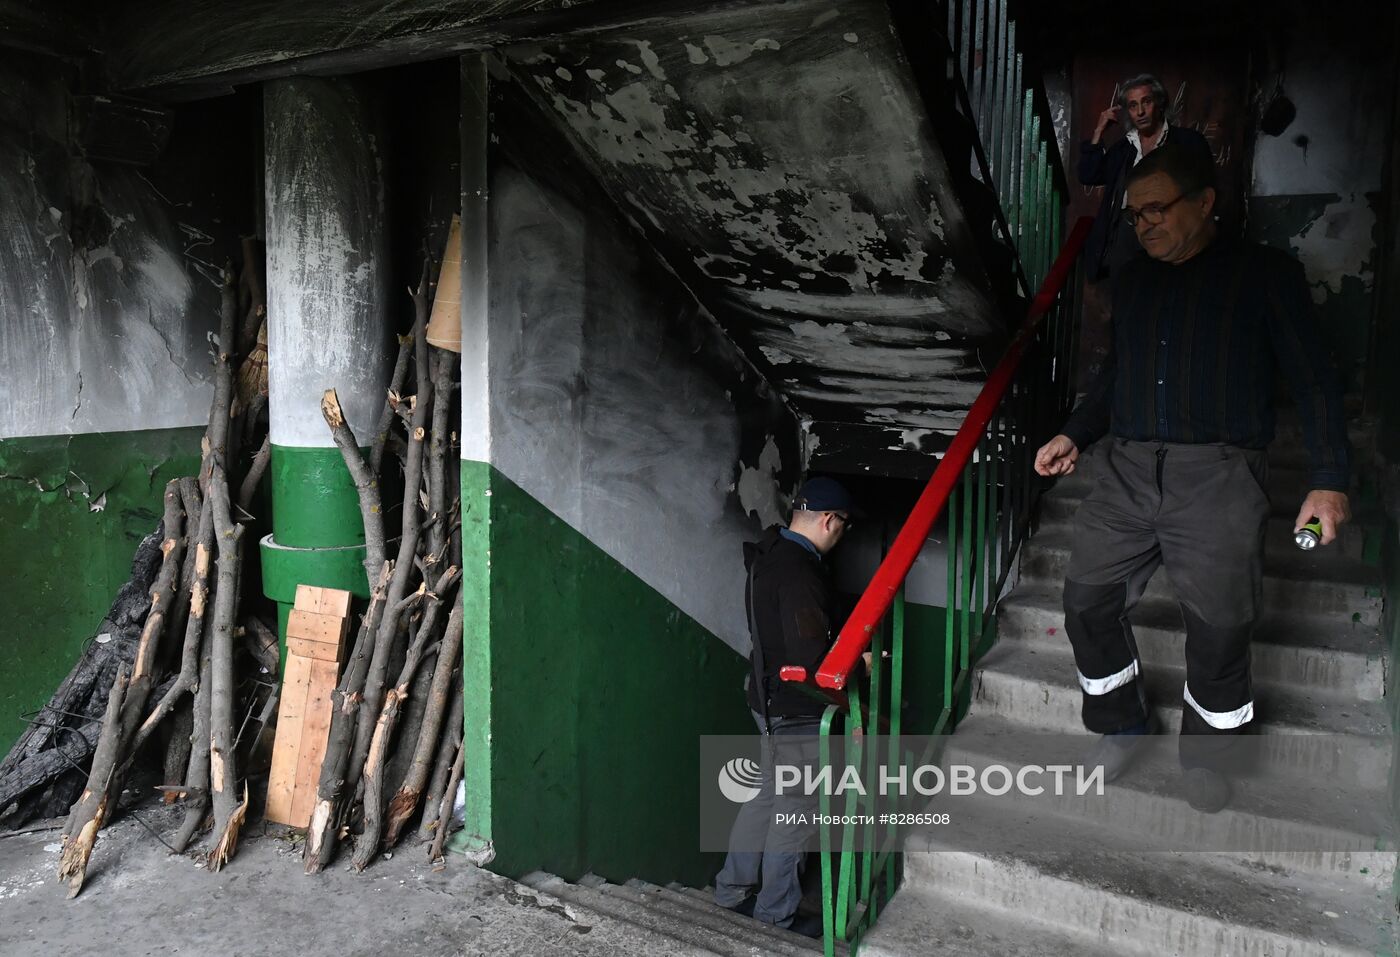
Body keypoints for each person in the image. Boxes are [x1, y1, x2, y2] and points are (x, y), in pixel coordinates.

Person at [1034, 142, 1351, 813]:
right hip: (1126, 470)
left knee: (1219, 624)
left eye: (1158, 208)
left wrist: (1327, 478)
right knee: (1086, 598)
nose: (1144, 223)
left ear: (1205, 203)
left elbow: (1316, 378)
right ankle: (1121, 721)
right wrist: (1074, 433)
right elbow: (1117, 374)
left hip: (1219, 475)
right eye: (1135, 213)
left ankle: (1209, 754)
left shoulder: (1266, 275)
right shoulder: (1135, 280)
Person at [713, 476, 857, 937]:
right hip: (796, 709)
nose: (842, 536)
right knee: (793, 817)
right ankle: (775, 918)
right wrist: (864, 664)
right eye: (844, 527)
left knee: (766, 800)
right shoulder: (801, 571)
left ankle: (731, 892)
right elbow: (812, 661)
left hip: (766, 700)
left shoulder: (768, 554)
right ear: (830, 520)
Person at [1079, 73, 1212, 282]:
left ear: (1159, 103)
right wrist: (1099, 130)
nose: (1140, 111)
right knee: (1126, 295)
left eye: (1146, 102)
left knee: (1168, 293)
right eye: (1132, 105)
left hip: (1171, 227)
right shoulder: (1125, 148)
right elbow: (1088, 174)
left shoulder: (1187, 142)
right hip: (1126, 231)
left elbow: (1205, 187)